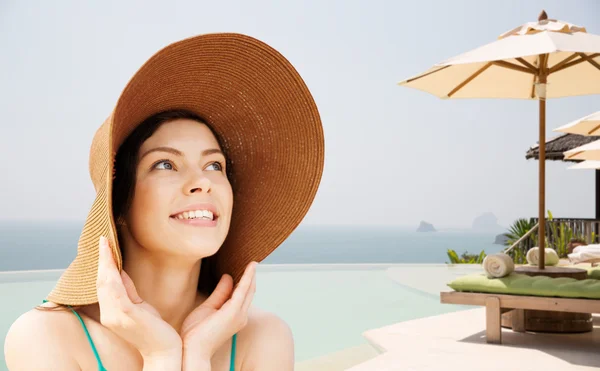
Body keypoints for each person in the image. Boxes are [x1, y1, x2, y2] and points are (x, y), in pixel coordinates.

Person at [4, 33, 324, 371]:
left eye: (214, 165)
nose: (203, 182)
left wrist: (197, 354)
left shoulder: (263, 337)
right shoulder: (46, 337)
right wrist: (161, 357)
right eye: (165, 164)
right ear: (119, 203)